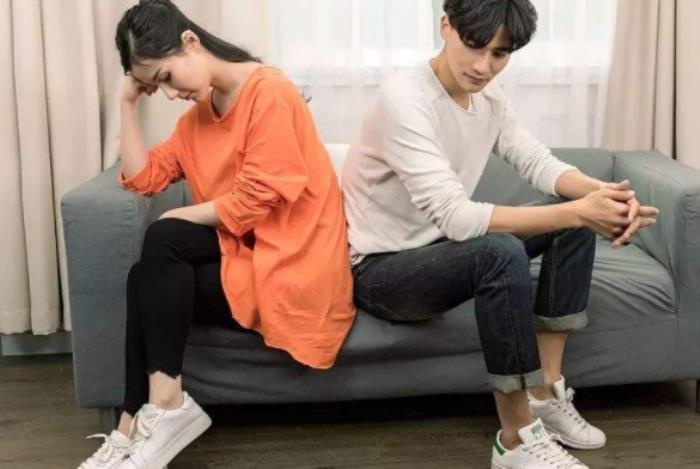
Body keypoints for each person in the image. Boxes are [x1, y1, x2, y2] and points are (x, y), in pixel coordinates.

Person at [341, 1, 659, 467]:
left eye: (499, 54)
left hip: (442, 251)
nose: (483, 66)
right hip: (382, 271)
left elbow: (537, 162)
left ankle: (544, 394)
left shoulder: (489, 99)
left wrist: (605, 197)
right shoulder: (404, 99)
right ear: (446, 26)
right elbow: (457, 217)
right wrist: (579, 210)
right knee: (503, 251)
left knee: (571, 225)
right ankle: (514, 440)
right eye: (474, 46)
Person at [78, 1, 355, 467]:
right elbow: (143, 177)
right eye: (156, 86)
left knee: (163, 239)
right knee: (147, 274)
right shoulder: (198, 120)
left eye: (166, 78)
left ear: (190, 42)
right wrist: (127, 101)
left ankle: (153, 414)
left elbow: (253, 201)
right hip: (245, 255)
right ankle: (134, 423)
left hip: (293, 263)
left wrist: (173, 222)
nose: (169, 94)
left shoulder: (269, 93)